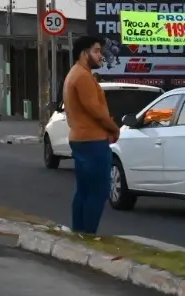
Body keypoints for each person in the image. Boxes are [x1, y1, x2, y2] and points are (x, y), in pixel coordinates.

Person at [63, 35, 120, 234]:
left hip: (82, 139)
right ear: (83, 53)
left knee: (85, 191)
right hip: (92, 141)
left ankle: (79, 234)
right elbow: (95, 110)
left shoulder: (76, 73)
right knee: (99, 191)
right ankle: (87, 235)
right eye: (96, 51)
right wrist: (114, 128)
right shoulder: (82, 76)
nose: (100, 56)